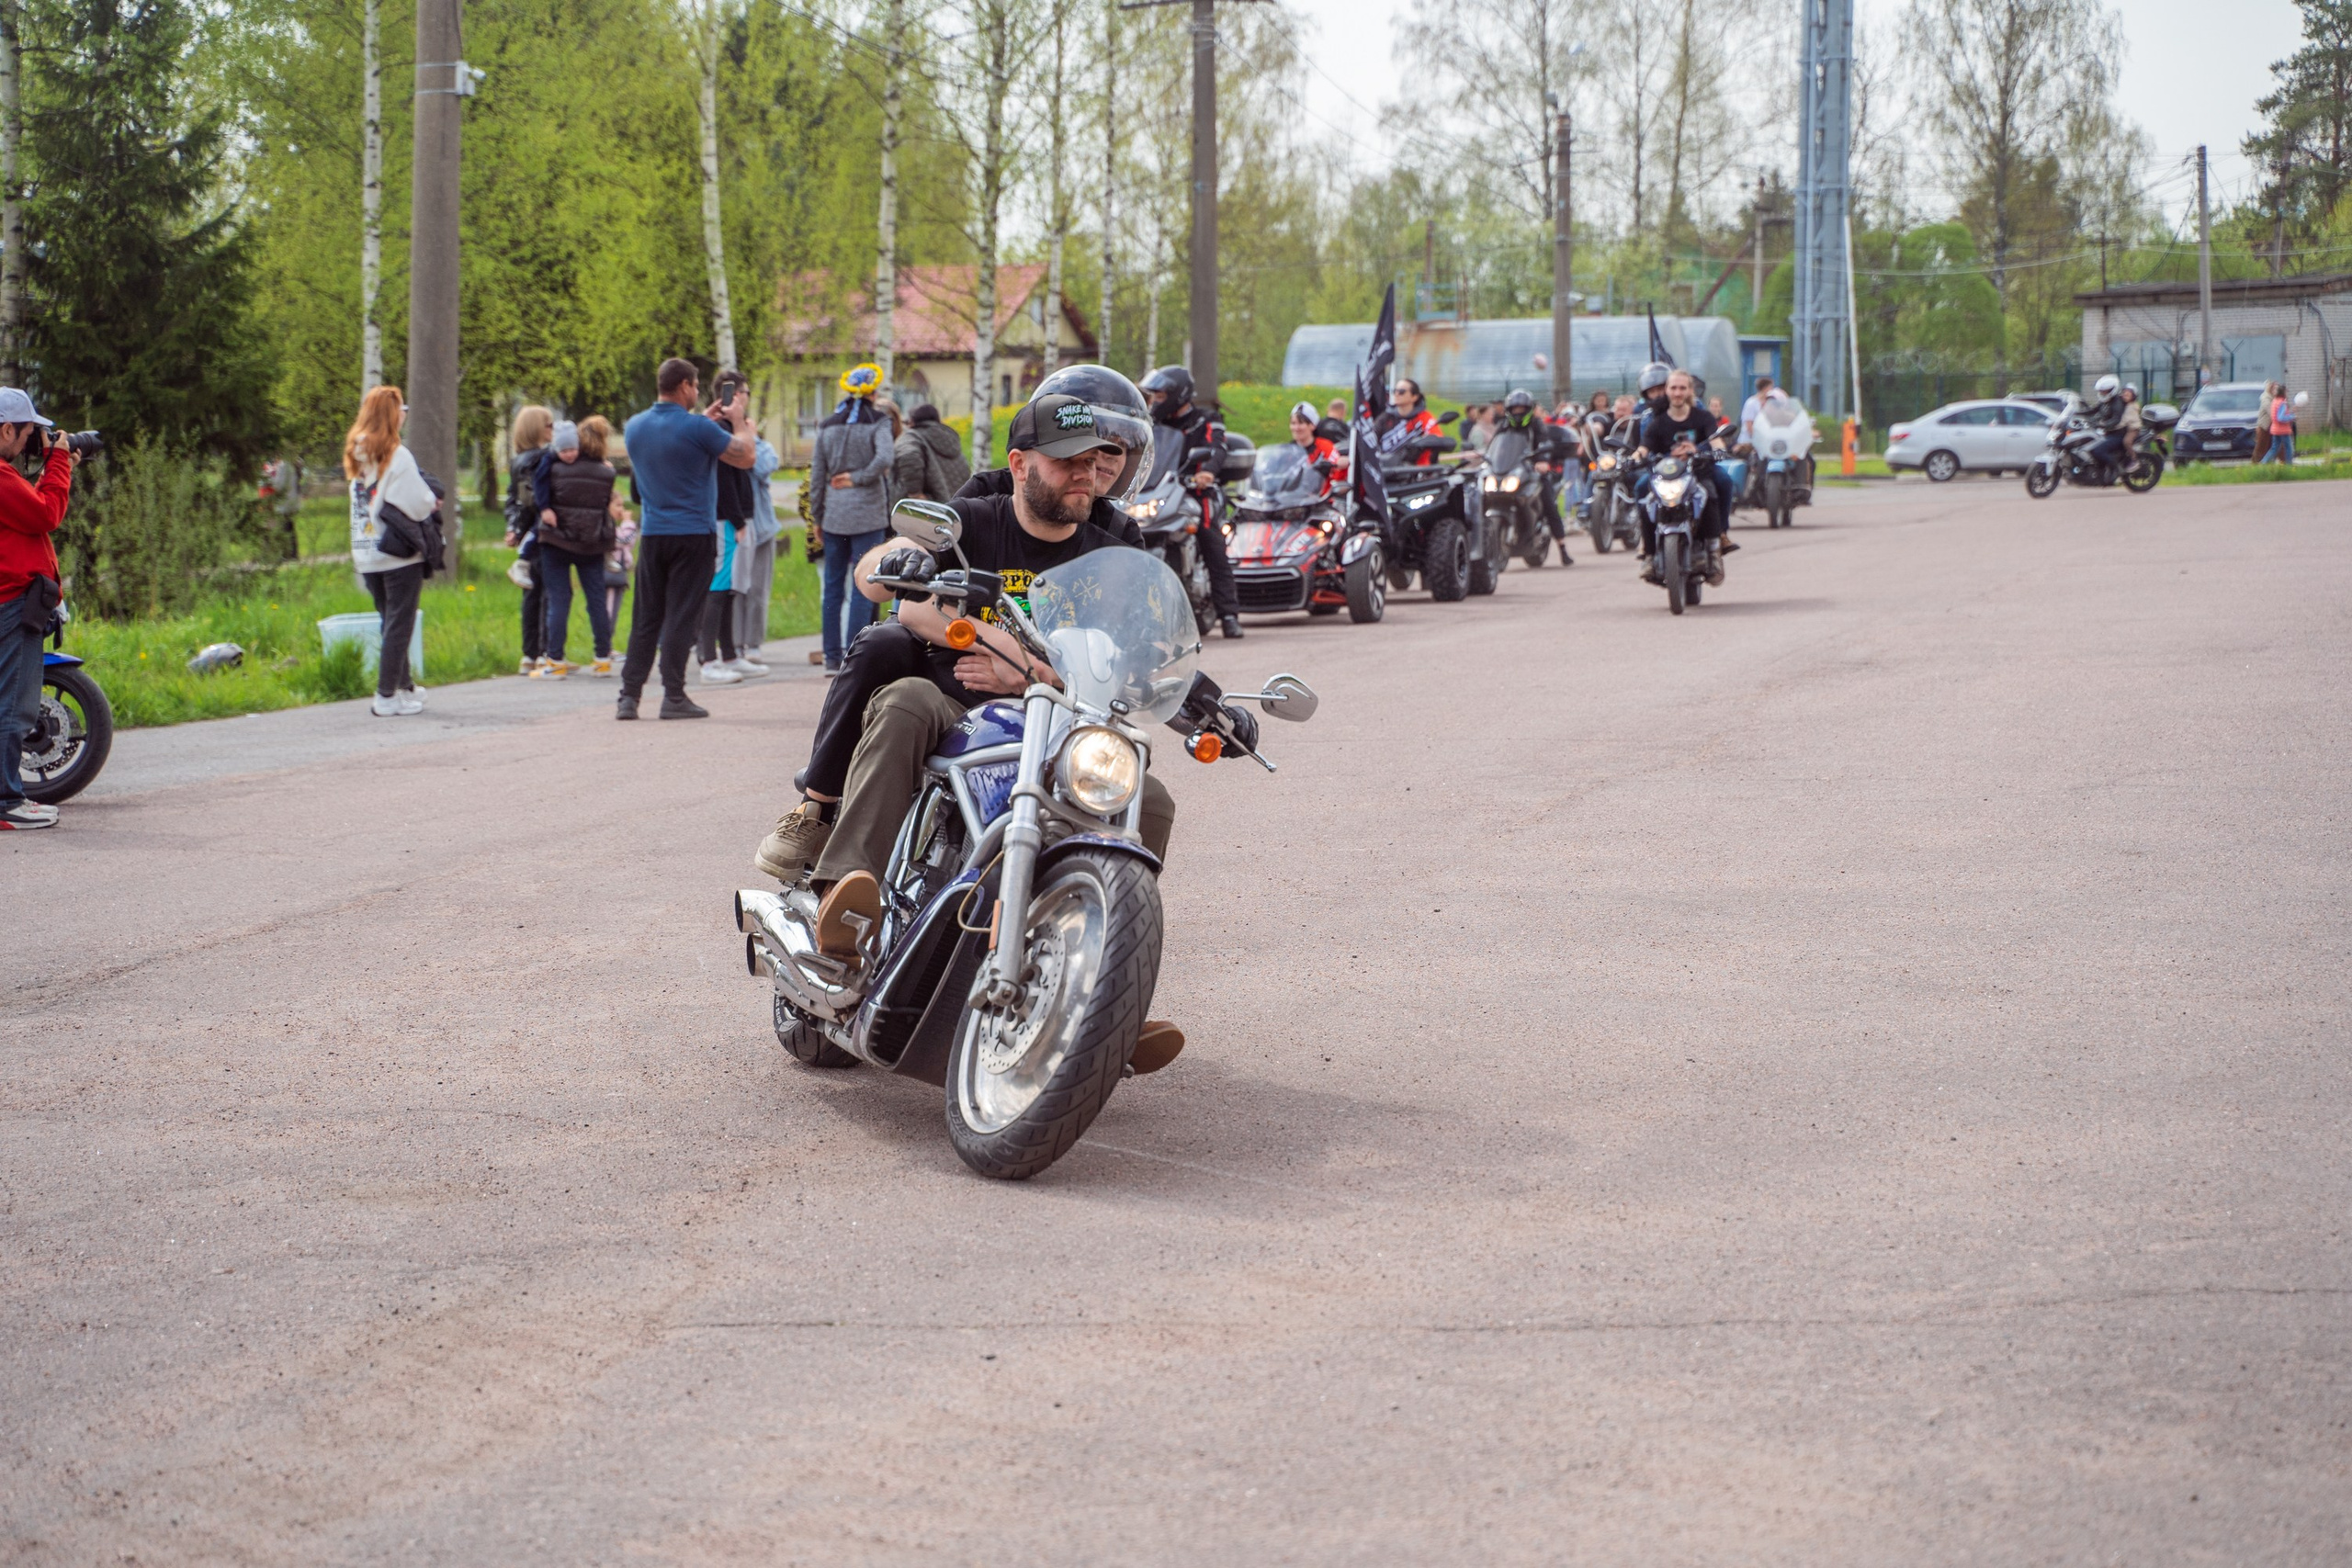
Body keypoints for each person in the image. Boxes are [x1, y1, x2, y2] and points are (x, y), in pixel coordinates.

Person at [798, 382, 1184, 957]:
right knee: (904, 698)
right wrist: (993, 636)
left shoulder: (1113, 553)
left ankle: (1105, 969)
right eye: (1065, 462)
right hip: (955, 702)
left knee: (1146, 796)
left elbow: (1135, 650)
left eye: (1093, 460)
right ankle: (844, 902)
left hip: (1056, 722)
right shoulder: (973, 519)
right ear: (1020, 463)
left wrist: (1034, 675)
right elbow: (897, 590)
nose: (1084, 474)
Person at [616, 356, 756, 720]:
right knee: (681, 616)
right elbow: (746, 457)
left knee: (646, 617)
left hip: (654, 534)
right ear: (684, 386)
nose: (697, 391)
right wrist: (739, 421)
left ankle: (628, 697)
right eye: (695, 385)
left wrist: (704, 424)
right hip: (694, 533)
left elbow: (673, 444)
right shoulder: (699, 429)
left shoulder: (635, 427)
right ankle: (673, 696)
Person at [0, 387, 77, 830]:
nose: (35, 439)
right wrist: (59, 462)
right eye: (30, 431)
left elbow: (27, 511)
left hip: (13, 599)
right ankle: (7, 802)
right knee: (13, 704)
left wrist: (55, 466)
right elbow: (46, 514)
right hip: (11, 604)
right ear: (7, 429)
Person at [344, 384, 437, 717]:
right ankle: (385, 696)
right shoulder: (398, 455)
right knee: (400, 623)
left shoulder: (356, 454)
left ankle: (404, 689)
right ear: (389, 414)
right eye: (400, 409)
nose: (404, 414)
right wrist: (433, 500)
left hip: (367, 552)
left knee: (390, 620)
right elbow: (419, 502)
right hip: (398, 552)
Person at [1138, 364, 1243, 638]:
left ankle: (1229, 614)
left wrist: (1207, 471)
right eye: (1154, 396)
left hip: (1196, 491)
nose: (1155, 401)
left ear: (1178, 394)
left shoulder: (1206, 419)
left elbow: (1217, 447)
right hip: (1158, 490)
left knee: (1211, 540)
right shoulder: (1154, 423)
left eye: (1160, 396)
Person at [809, 363, 895, 673]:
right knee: (863, 583)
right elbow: (885, 458)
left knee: (832, 586)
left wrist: (817, 515)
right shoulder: (879, 421)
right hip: (868, 515)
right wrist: (860, 477)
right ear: (872, 391)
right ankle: (853, 655)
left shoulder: (827, 425)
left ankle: (831, 656)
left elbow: (817, 474)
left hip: (834, 515)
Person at [531, 417, 620, 678]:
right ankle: (602, 658)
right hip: (592, 541)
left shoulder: (553, 467)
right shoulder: (607, 472)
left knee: (559, 599)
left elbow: (537, 490)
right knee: (596, 599)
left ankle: (556, 660)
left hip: (556, 540)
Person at [1633, 368, 1733, 584]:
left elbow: (1715, 440)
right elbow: (1644, 447)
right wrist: (1634, 457)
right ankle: (1649, 552)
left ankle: (1715, 548)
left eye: (1682, 388)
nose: (1677, 393)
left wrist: (1713, 450)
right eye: (1673, 388)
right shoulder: (1657, 421)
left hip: (1697, 470)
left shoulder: (1703, 417)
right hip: (1666, 474)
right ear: (1667, 391)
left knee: (1713, 492)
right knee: (1644, 496)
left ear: (1689, 391)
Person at [1494, 389, 1576, 561]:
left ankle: (1562, 547)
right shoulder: (1504, 425)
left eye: (1521, 409)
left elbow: (1545, 442)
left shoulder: (1537, 425)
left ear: (1528, 409)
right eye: (1515, 409)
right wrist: (1488, 459)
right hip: (1510, 470)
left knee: (1548, 503)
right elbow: (1496, 446)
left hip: (1533, 471)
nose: (1518, 412)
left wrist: (1543, 460)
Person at [504, 405, 555, 675]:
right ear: (537, 428)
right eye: (549, 425)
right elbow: (538, 497)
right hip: (545, 532)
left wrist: (514, 528)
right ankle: (547, 652)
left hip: (527, 534)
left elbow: (513, 499)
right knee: (549, 592)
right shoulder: (544, 458)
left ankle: (529, 654)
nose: (553, 430)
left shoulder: (517, 461)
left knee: (530, 594)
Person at [734, 431, 783, 660]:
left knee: (757, 588)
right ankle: (734, 643)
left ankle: (753, 643)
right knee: (734, 588)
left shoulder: (761, 446)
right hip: (734, 525)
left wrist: (749, 440)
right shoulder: (725, 444)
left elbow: (765, 466)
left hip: (762, 527)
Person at [893, 401, 972, 504]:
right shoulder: (948, 437)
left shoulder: (912, 436)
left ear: (912, 420)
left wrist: (915, 494)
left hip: (926, 510)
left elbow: (908, 455)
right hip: (953, 506)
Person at [1374, 378, 1442, 466]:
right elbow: (1371, 437)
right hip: (1386, 468)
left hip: (1416, 470)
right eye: (1395, 391)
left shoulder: (1424, 417)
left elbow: (1437, 438)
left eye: (1402, 392)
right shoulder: (1385, 417)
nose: (1397, 394)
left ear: (1414, 397)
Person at [2086, 374, 2130, 479]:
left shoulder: (2117, 402)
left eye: (2104, 390)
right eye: (2101, 391)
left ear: (2112, 390)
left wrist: (2102, 425)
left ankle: (2117, 468)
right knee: (2090, 448)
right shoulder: (2105, 401)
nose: (2102, 393)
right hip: (2108, 433)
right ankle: (2100, 472)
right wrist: (2077, 413)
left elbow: (2116, 420)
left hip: (2119, 435)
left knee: (2098, 451)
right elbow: (2093, 410)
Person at [2262, 386, 2298, 465]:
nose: (2287, 394)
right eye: (2286, 392)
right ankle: (2289, 465)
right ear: (2283, 392)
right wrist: (2292, 417)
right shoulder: (2282, 403)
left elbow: (2278, 414)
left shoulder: (2275, 401)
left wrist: (2290, 412)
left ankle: (2264, 462)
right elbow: (2281, 418)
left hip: (2275, 429)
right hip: (2283, 430)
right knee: (2288, 448)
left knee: (2274, 448)